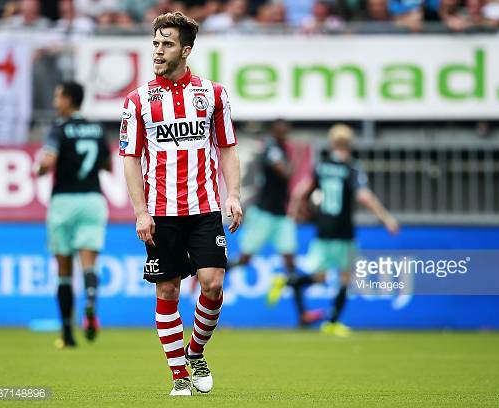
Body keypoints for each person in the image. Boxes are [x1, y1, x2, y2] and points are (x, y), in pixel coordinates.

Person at [120, 11, 242, 397]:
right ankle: (179, 378)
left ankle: (196, 351)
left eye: (167, 43)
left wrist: (233, 194)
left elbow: (226, 147)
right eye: (155, 42)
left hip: (204, 207)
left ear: (185, 50)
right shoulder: (138, 100)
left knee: (213, 283)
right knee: (168, 292)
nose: (158, 50)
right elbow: (130, 157)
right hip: (161, 211)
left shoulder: (213, 94)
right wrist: (140, 211)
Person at [269, 124, 399, 337]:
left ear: (331, 143)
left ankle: (286, 281)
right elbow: (364, 196)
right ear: (350, 144)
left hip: (323, 229)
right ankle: (332, 322)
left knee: (319, 277)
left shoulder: (321, 166)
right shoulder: (352, 168)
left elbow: (301, 191)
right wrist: (386, 218)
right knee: (346, 277)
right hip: (343, 231)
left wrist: (293, 212)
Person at [34, 81, 110, 348]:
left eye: (57, 96)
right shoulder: (97, 128)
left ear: (68, 99)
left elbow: (48, 163)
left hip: (64, 201)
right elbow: (108, 165)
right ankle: (90, 301)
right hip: (92, 199)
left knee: (64, 270)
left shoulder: (59, 128)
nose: (56, 102)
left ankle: (67, 333)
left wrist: (39, 168)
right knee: (89, 264)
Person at [229, 119, 322, 326]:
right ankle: (208, 270)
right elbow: (285, 172)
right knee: (244, 260)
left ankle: (303, 314)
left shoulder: (280, 148)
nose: (285, 130)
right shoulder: (271, 148)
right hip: (263, 215)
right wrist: (295, 163)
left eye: (287, 127)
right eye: (281, 127)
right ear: (274, 130)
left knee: (291, 266)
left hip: (281, 217)